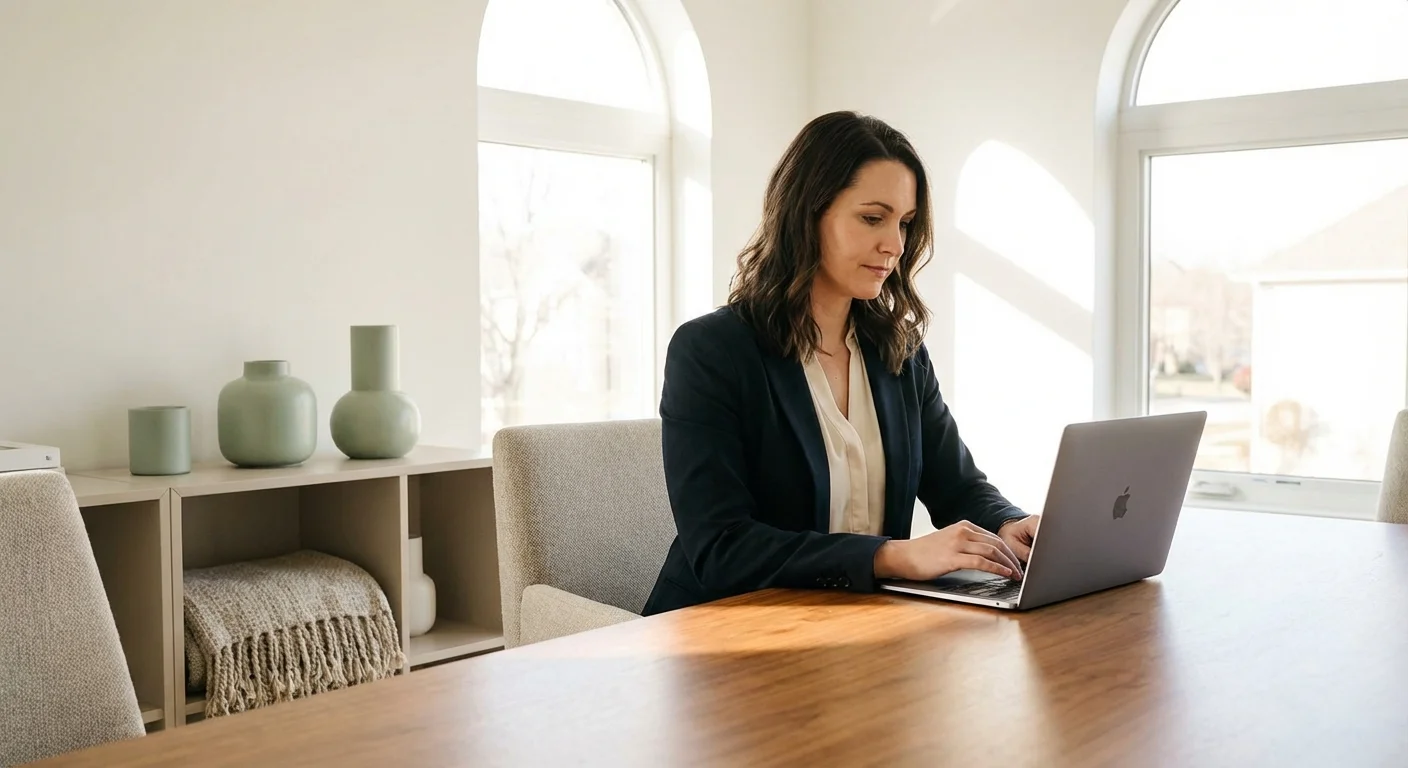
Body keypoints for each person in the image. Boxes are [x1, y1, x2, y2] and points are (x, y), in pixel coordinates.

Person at [641, 110, 1040, 616]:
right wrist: (890, 556)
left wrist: (1009, 524)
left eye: (905, 223)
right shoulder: (711, 351)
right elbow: (722, 548)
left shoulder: (901, 352)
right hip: (722, 630)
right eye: (873, 218)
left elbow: (957, 484)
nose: (894, 245)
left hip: (855, 626)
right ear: (808, 214)